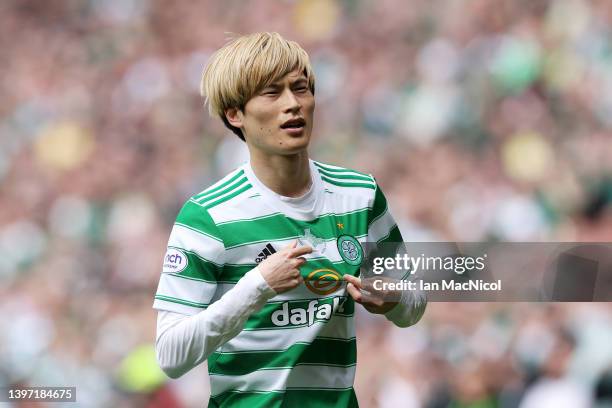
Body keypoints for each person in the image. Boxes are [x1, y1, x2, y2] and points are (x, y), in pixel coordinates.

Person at [153, 32, 426, 407]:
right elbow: (170, 356)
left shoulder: (360, 194)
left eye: (300, 89)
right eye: (272, 93)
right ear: (235, 115)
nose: (293, 104)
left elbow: (414, 302)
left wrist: (394, 298)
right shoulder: (208, 215)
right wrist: (258, 286)